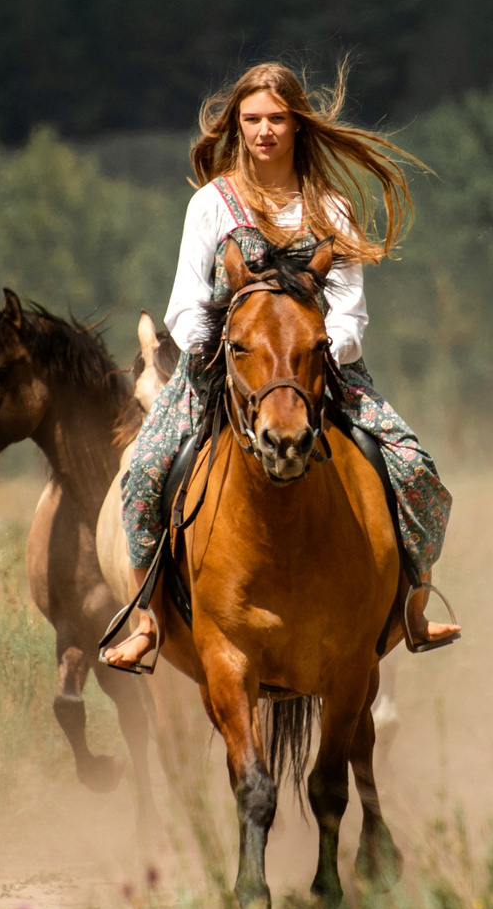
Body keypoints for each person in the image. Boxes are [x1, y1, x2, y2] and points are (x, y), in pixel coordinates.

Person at [100, 61, 460, 667]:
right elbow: (184, 305)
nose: (263, 130)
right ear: (235, 128)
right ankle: (147, 622)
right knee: (145, 474)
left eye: (275, 118)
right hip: (221, 371)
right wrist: (220, 350)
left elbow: (350, 316)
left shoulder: (332, 209)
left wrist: (311, 351)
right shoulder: (211, 206)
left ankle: (413, 610)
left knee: (416, 473)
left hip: (320, 373)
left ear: (297, 124)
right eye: (251, 120)